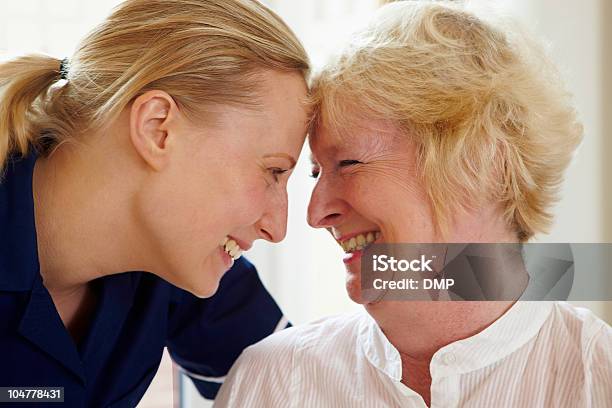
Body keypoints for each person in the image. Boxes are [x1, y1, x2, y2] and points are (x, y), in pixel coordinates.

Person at [214, 2, 611, 407]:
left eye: (348, 163)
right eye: (316, 173)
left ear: (479, 164)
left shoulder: (598, 377)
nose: (316, 214)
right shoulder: (270, 382)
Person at [0, 0, 309, 406]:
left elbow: (305, 388)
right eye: (273, 171)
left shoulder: (177, 259)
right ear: (157, 128)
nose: (277, 227)